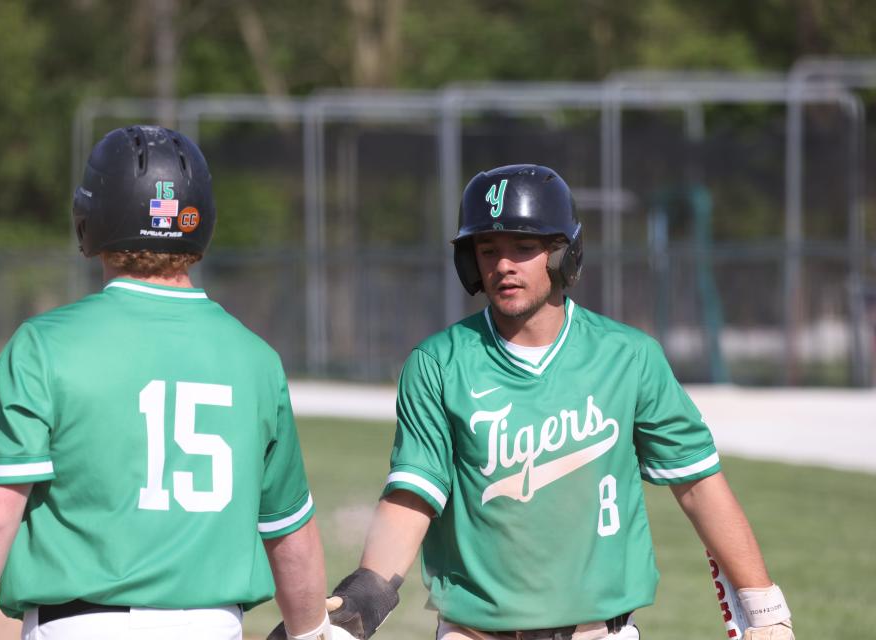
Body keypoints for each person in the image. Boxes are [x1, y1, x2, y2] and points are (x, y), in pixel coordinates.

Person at [310, 165, 795, 640]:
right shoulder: (438, 363)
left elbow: (698, 484)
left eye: (524, 247)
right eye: (487, 249)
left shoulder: (628, 357)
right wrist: (363, 601)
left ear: (564, 254)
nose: (503, 265)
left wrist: (764, 607)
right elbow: (414, 496)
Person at [0, 125, 336, 640]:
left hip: (81, 626)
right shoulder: (257, 359)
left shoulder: (44, 346)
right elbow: (288, 529)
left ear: (93, 217)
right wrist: (312, 630)